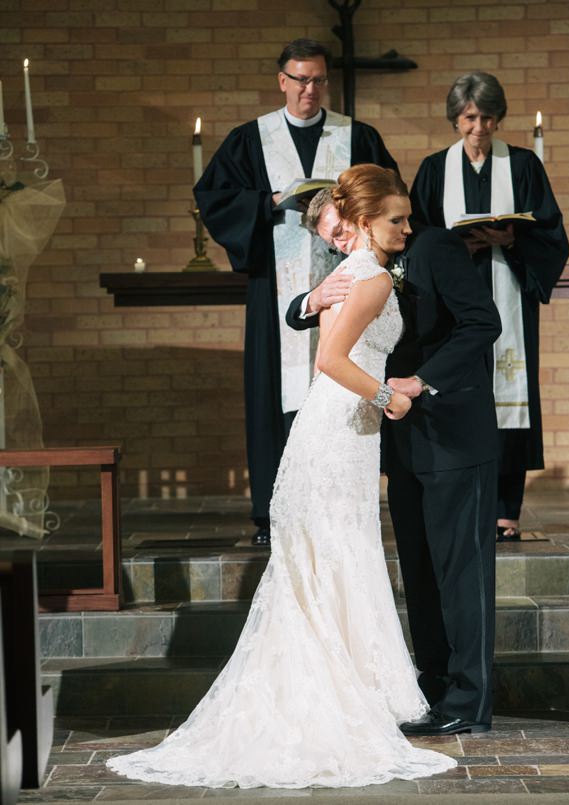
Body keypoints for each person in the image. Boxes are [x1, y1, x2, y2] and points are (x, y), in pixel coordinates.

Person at [107, 165, 457, 787]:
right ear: (368, 222)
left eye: (406, 218)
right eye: (397, 219)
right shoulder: (370, 277)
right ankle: (335, 702)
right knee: (334, 556)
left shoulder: (352, 273)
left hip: (332, 435)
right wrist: (390, 399)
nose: (408, 227)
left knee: (326, 562)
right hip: (338, 432)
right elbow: (329, 359)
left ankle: (330, 692)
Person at [287, 183, 502, 735]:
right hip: (399, 437)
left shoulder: (433, 249)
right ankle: (431, 684)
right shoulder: (362, 266)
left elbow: (483, 322)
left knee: (463, 570)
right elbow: (306, 314)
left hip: (454, 430)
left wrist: (424, 380)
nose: (337, 241)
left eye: (341, 229)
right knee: (420, 568)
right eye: (331, 235)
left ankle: (469, 700)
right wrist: (312, 299)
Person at [194, 38, 397, 546]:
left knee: (340, 385)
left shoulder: (358, 136)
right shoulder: (250, 139)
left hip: (351, 284)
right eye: (300, 79)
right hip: (277, 289)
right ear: (282, 80)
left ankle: (340, 510)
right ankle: (273, 515)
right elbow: (214, 197)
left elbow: (390, 191)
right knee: (275, 395)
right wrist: (270, 200)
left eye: (318, 79)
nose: (309, 89)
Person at [410, 72, 569, 542]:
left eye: (487, 118)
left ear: (499, 118)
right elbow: (417, 234)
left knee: (510, 400)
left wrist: (512, 238)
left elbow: (550, 232)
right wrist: (455, 247)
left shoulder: (522, 166)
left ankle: (506, 508)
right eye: (469, 118)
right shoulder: (434, 169)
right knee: (458, 391)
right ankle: (462, 499)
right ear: (455, 119)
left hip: (510, 290)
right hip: (453, 299)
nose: (479, 128)